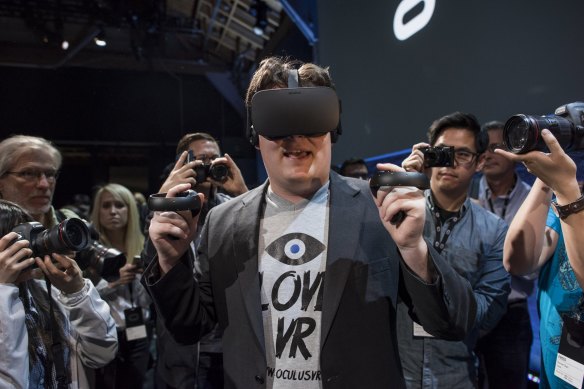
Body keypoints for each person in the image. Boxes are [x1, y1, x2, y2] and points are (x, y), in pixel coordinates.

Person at [141, 56, 477, 389]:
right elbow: (189, 327)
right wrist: (171, 261)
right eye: (278, 120)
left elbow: (451, 323)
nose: (295, 136)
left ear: (333, 128)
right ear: (255, 134)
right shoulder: (223, 221)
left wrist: (414, 249)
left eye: (311, 117)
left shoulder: (382, 210)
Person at [401, 112, 510, 388]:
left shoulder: (495, 230)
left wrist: (440, 313)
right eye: (442, 153)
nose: (449, 163)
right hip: (394, 368)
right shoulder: (397, 210)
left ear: (479, 161)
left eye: (462, 154)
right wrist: (402, 190)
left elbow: (488, 310)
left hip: (455, 372)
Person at [149, 132, 248, 389]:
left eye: (215, 158)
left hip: (231, 342)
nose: (210, 165)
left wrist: (243, 193)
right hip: (185, 346)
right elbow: (151, 261)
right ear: (183, 164)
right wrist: (166, 193)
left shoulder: (237, 206)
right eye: (202, 159)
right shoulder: (168, 207)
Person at [497, 129, 584, 389]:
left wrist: (567, 190)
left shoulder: (571, 200)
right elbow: (517, 262)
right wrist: (545, 179)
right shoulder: (568, 205)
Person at [0, 199, 118, 388]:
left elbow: (101, 354)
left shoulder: (48, 296)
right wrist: (3, 290)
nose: (30, 245)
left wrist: (77, 293)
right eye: (18, 239)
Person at [472, 121, 535, 389]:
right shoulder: (463, 194)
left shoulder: (533, 200)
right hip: (471, 310)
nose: (487, 154)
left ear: (513, 152)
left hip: (511, 314)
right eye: (482, 149)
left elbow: (529, 266)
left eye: (496, 147)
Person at [89, 183, 151, 389]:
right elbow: (74, 295)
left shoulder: (145, 246)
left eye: (119, 205)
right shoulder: (89, 252)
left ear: (130, 210)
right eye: (106, 206)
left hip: (139, 331)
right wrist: (114, 282)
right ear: (97, 210)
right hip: (103, 333)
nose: (113, 211)